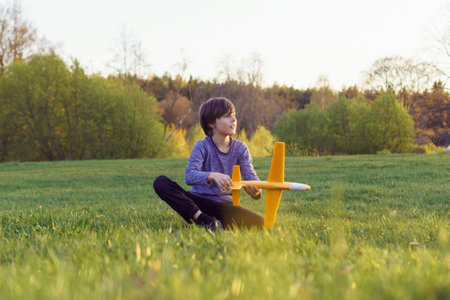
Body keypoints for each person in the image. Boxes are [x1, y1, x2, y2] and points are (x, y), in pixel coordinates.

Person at [153, 97, 264, 230]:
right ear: (212, 123)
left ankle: (214, 223)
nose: (233, 119)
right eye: (227, 116)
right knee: (160, 182)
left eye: (234, 115)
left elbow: (253, 182)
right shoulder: (202, 146)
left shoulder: (241, 149)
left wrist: (256, 192)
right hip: (198, 203)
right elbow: (189, 176)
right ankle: (204, 220)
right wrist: (213, 175)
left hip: (225, 207)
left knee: (260, 222)